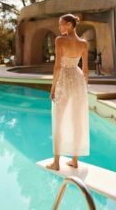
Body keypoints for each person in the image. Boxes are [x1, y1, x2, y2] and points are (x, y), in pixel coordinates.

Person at [46, 13, 89, 171]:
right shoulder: (83, 43)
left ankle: (56, 162)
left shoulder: (60, 40)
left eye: (62, 24)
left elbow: (57, 66)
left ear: (70, 25)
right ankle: (74, 160)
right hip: (78, 80)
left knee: (59, 119)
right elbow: (85, 69)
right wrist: (84, 88)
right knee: (77, 121)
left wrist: (53, 86)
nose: (60, 27)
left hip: (64, 79)